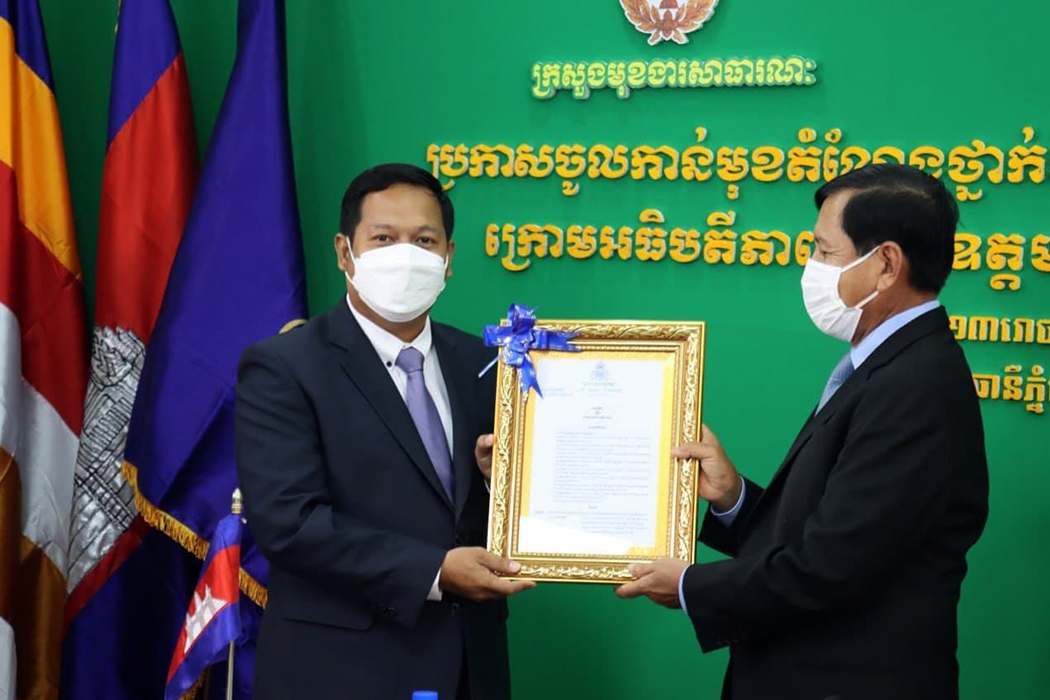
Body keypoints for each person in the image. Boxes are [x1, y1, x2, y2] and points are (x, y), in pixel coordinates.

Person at [615, 163, 989, 700]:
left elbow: (831, 567)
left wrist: (690, 586)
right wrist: (733, 498)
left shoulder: (916, 384)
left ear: (886, 264)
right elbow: (830, 529)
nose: (812, 267)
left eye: (824, 251)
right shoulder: (885, 364)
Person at [236, 163, 534, 700]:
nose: (406, 255)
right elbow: (289, 523)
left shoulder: (484, 363)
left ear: (448, 259)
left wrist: (499, 482)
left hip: (471, 666)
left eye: (424, 240)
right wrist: (435, 571)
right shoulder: (284, 367)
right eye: (383, 238)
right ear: (344, 252)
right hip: (342, 671)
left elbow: (486, 505)